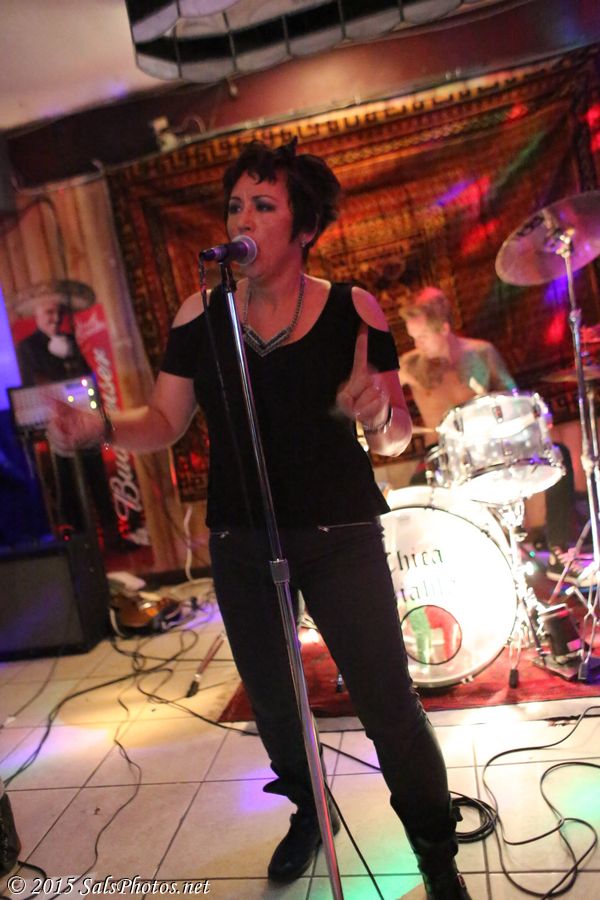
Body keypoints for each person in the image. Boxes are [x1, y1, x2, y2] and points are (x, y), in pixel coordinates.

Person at [48, 140, 472, 899]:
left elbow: (395, 436)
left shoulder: (352, 308)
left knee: (387, 704)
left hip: (339, 534)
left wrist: (380, 413)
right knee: (275, 706)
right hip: (241, 538)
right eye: (235, 205)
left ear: (303, 227)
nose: (242, 218)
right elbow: (165, 421)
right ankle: (310, 811)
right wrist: (100, 427)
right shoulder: (200, 314)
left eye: (263, 205)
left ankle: (436, 855)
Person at [399, 286, 579, 580]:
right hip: (440, 458)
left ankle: (561, 551)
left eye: (422, 336)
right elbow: (377, 389)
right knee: (412, 502)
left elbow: (513, 400)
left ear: (444, 328)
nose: (417, 344)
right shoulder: (410, 365)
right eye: (413, 337)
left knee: (559, 456)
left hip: (487, 450)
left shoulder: (480, 353)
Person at [13, 283, 137, 554]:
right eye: (49, 312)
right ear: (37, 315)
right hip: (54, 426)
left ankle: (112, 536)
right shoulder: (27, 347)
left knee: (97, 477)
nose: (55, 318)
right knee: (66, 484)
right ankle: (80, 543)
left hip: (84, 420)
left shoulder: (70, 341)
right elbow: (33, 383)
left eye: (59, 312)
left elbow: (85, 375)